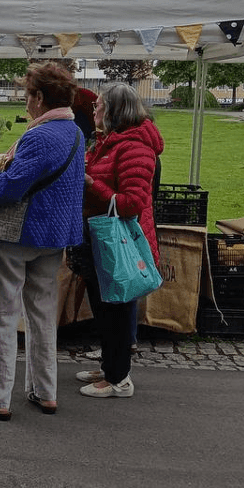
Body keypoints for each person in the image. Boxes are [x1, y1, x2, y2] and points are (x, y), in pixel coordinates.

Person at [0, 63, 85, 421]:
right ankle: (44, 391)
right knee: (42, 313)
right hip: (56, 237)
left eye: (27, 95)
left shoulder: (38, 136)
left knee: (3, 315)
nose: (25, 102)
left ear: (39, 98)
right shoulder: (76, 133)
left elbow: (7, 189)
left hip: (18, 233)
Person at [74, 83, 164, 399]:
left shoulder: (135, 147)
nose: (93, 110)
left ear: (114, 110)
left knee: (116, 308)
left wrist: (90, 183)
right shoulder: (110, 142)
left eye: (98, 105)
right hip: (102, 241)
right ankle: (110, 364)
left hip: (120, 243)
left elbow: (132, 203)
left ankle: (118, 379)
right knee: (105, 308)